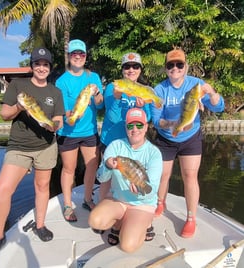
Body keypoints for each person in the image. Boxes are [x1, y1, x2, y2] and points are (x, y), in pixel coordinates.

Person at [0, 47, 65, 261]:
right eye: (37, 63)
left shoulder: (55, 92)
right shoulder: (19, 86)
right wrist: (19, 106)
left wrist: (53, 126)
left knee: (42, 186)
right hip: (19, 146)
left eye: (45, 64)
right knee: (2, 189)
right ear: (32, 66)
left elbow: (59, 120)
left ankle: (40, 225)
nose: (41, 67)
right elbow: (4, 114)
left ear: (50, 68)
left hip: (46, 145)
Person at [151, 48, 225, 238]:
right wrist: (173, 125)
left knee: (190, 176)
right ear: (166, 68)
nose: (175, 68)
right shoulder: (160, 89)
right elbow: (156, 120)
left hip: (190, 138)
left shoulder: (196, 85)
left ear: (186, 67)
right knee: (162, 175)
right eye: (170, 65)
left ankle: (191, 219)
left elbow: (218, 106)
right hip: (166, 138)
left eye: (179, 64)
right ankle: (160, 203)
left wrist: (211, 92)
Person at [88, 108, 162, 253]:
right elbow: (101, 178)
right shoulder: (115, 146)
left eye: (139, 125)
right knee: (95, 221)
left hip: (142, 204)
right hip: (118, 199)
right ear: (126, 127)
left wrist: (141, 191)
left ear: (146, 127)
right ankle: (122, 222)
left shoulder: (154, 153)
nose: (135, 129)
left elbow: (151, 190)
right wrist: (108, 166)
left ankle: (145, 223)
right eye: (130, 126)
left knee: (127, 246)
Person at [55, 39, 104, 222]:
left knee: (92, 165)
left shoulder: (94, 77)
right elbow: (64, 111)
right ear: (69, 57)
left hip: (89, 131)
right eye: (74, 54)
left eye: (81, 54)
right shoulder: (62, 81)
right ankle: (68, 205)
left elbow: (99, 106)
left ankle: (87, 198)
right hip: (68, 133)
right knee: (69, 169)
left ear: (85, 56)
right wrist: (69, 116)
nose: (78, 57)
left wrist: (97, 93)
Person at [99, 52, 151, 199]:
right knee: (107, 178)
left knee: (131, 179)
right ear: (122, 69)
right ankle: (102, 207)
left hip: (132, 144)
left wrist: (142, 107)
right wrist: (116, 98)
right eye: (127, 66)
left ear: (140, 69)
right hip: (111, 141)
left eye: (135, 66)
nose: (131, 70)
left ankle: (129, 207)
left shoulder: (143, 89)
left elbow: (148, 117)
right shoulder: (113, 87)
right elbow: (113, 117)